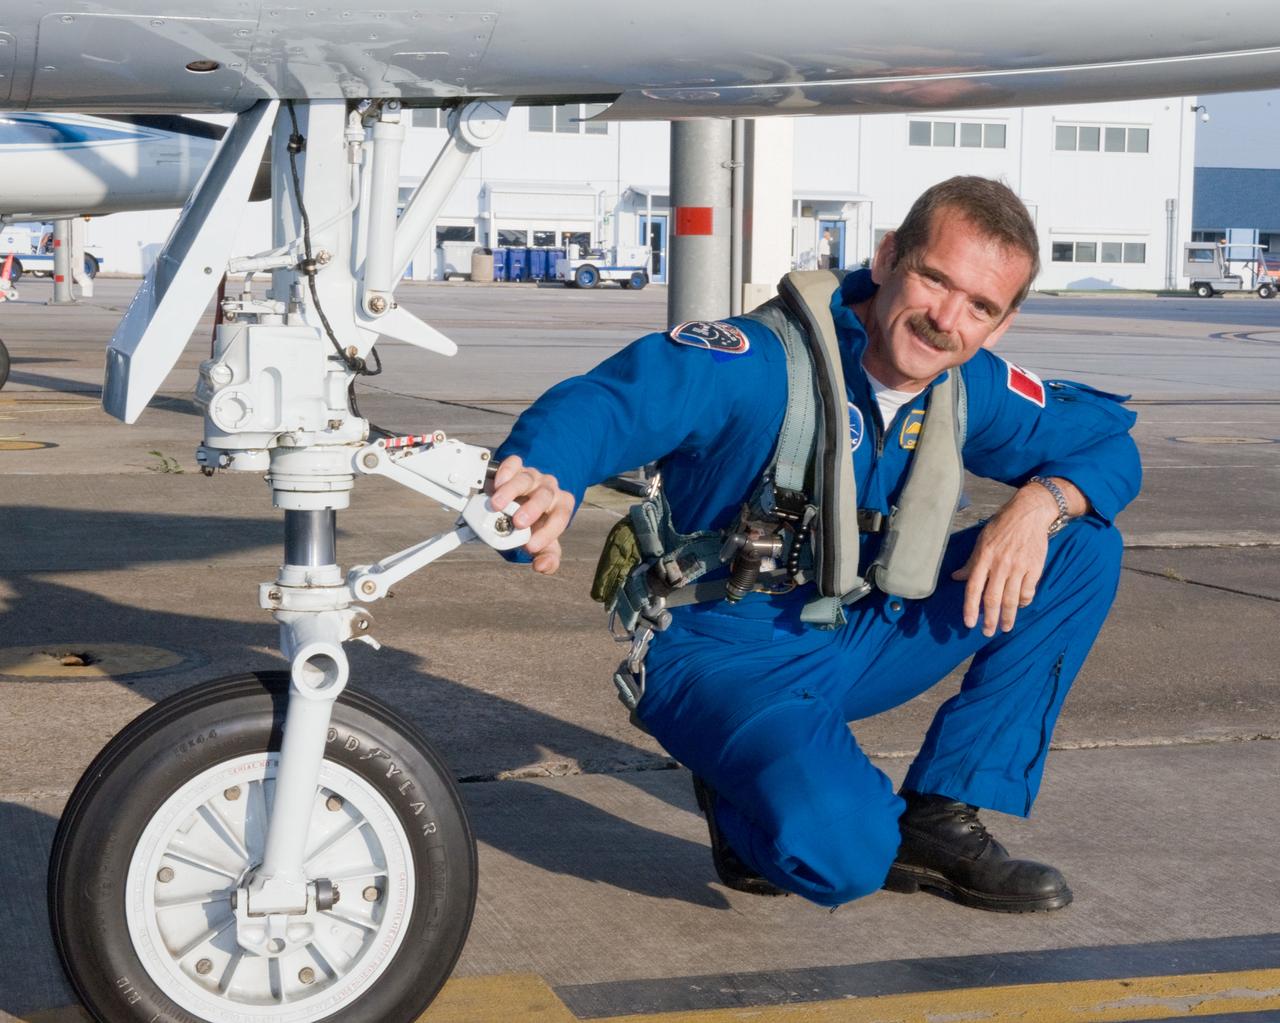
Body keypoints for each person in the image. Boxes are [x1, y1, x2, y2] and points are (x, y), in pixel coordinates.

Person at [489, 176, 1140, 912]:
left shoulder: (967, 383)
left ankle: (940, 814)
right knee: (847, 857)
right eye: (934, 278)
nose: (946, 319)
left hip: (858, 636)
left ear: (1003, 321)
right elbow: (611, 401)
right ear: (889, 255)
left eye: (980, 306)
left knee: (1082, 544)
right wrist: (545, 476)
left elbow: (1109, 448)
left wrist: (1039, 503)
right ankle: (743, 804)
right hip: (721, 657)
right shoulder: (762, 362)